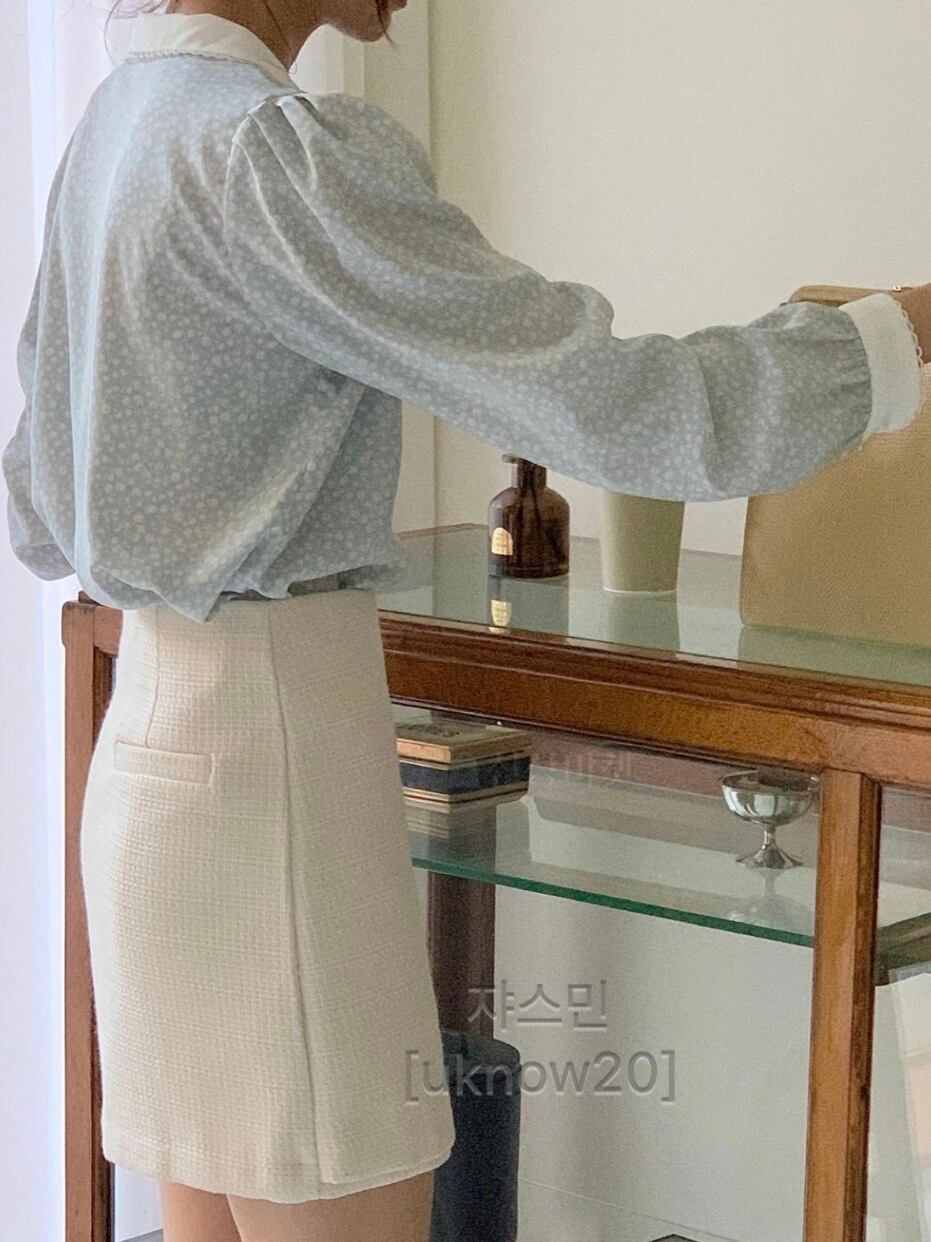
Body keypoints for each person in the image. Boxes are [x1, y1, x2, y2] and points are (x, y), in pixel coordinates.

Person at [3, 2, 930, 1239]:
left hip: (152, 778)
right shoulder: (274, 158)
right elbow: (626, 407)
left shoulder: (123, 126)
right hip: (278, 776)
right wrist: (902, 332)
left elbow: (39, 505)